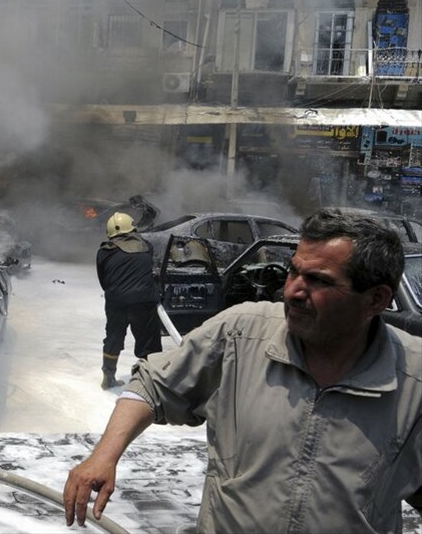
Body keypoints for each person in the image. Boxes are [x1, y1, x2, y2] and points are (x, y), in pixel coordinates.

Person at [64, 208, 422, 533]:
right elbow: (152, 384)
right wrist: (103, 455)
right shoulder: (240, 334)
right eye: (294, 271)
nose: (293, 291)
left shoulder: (414, 381)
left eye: (320, 281)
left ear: (376, 299)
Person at [96, 211, 161, 389]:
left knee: (113, 338)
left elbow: (104, 281)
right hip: (143, 301)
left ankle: (108, 377)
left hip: (116, 302)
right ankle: (149, 382)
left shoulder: (103, 252)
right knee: (149, 342)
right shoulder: (146, 246)